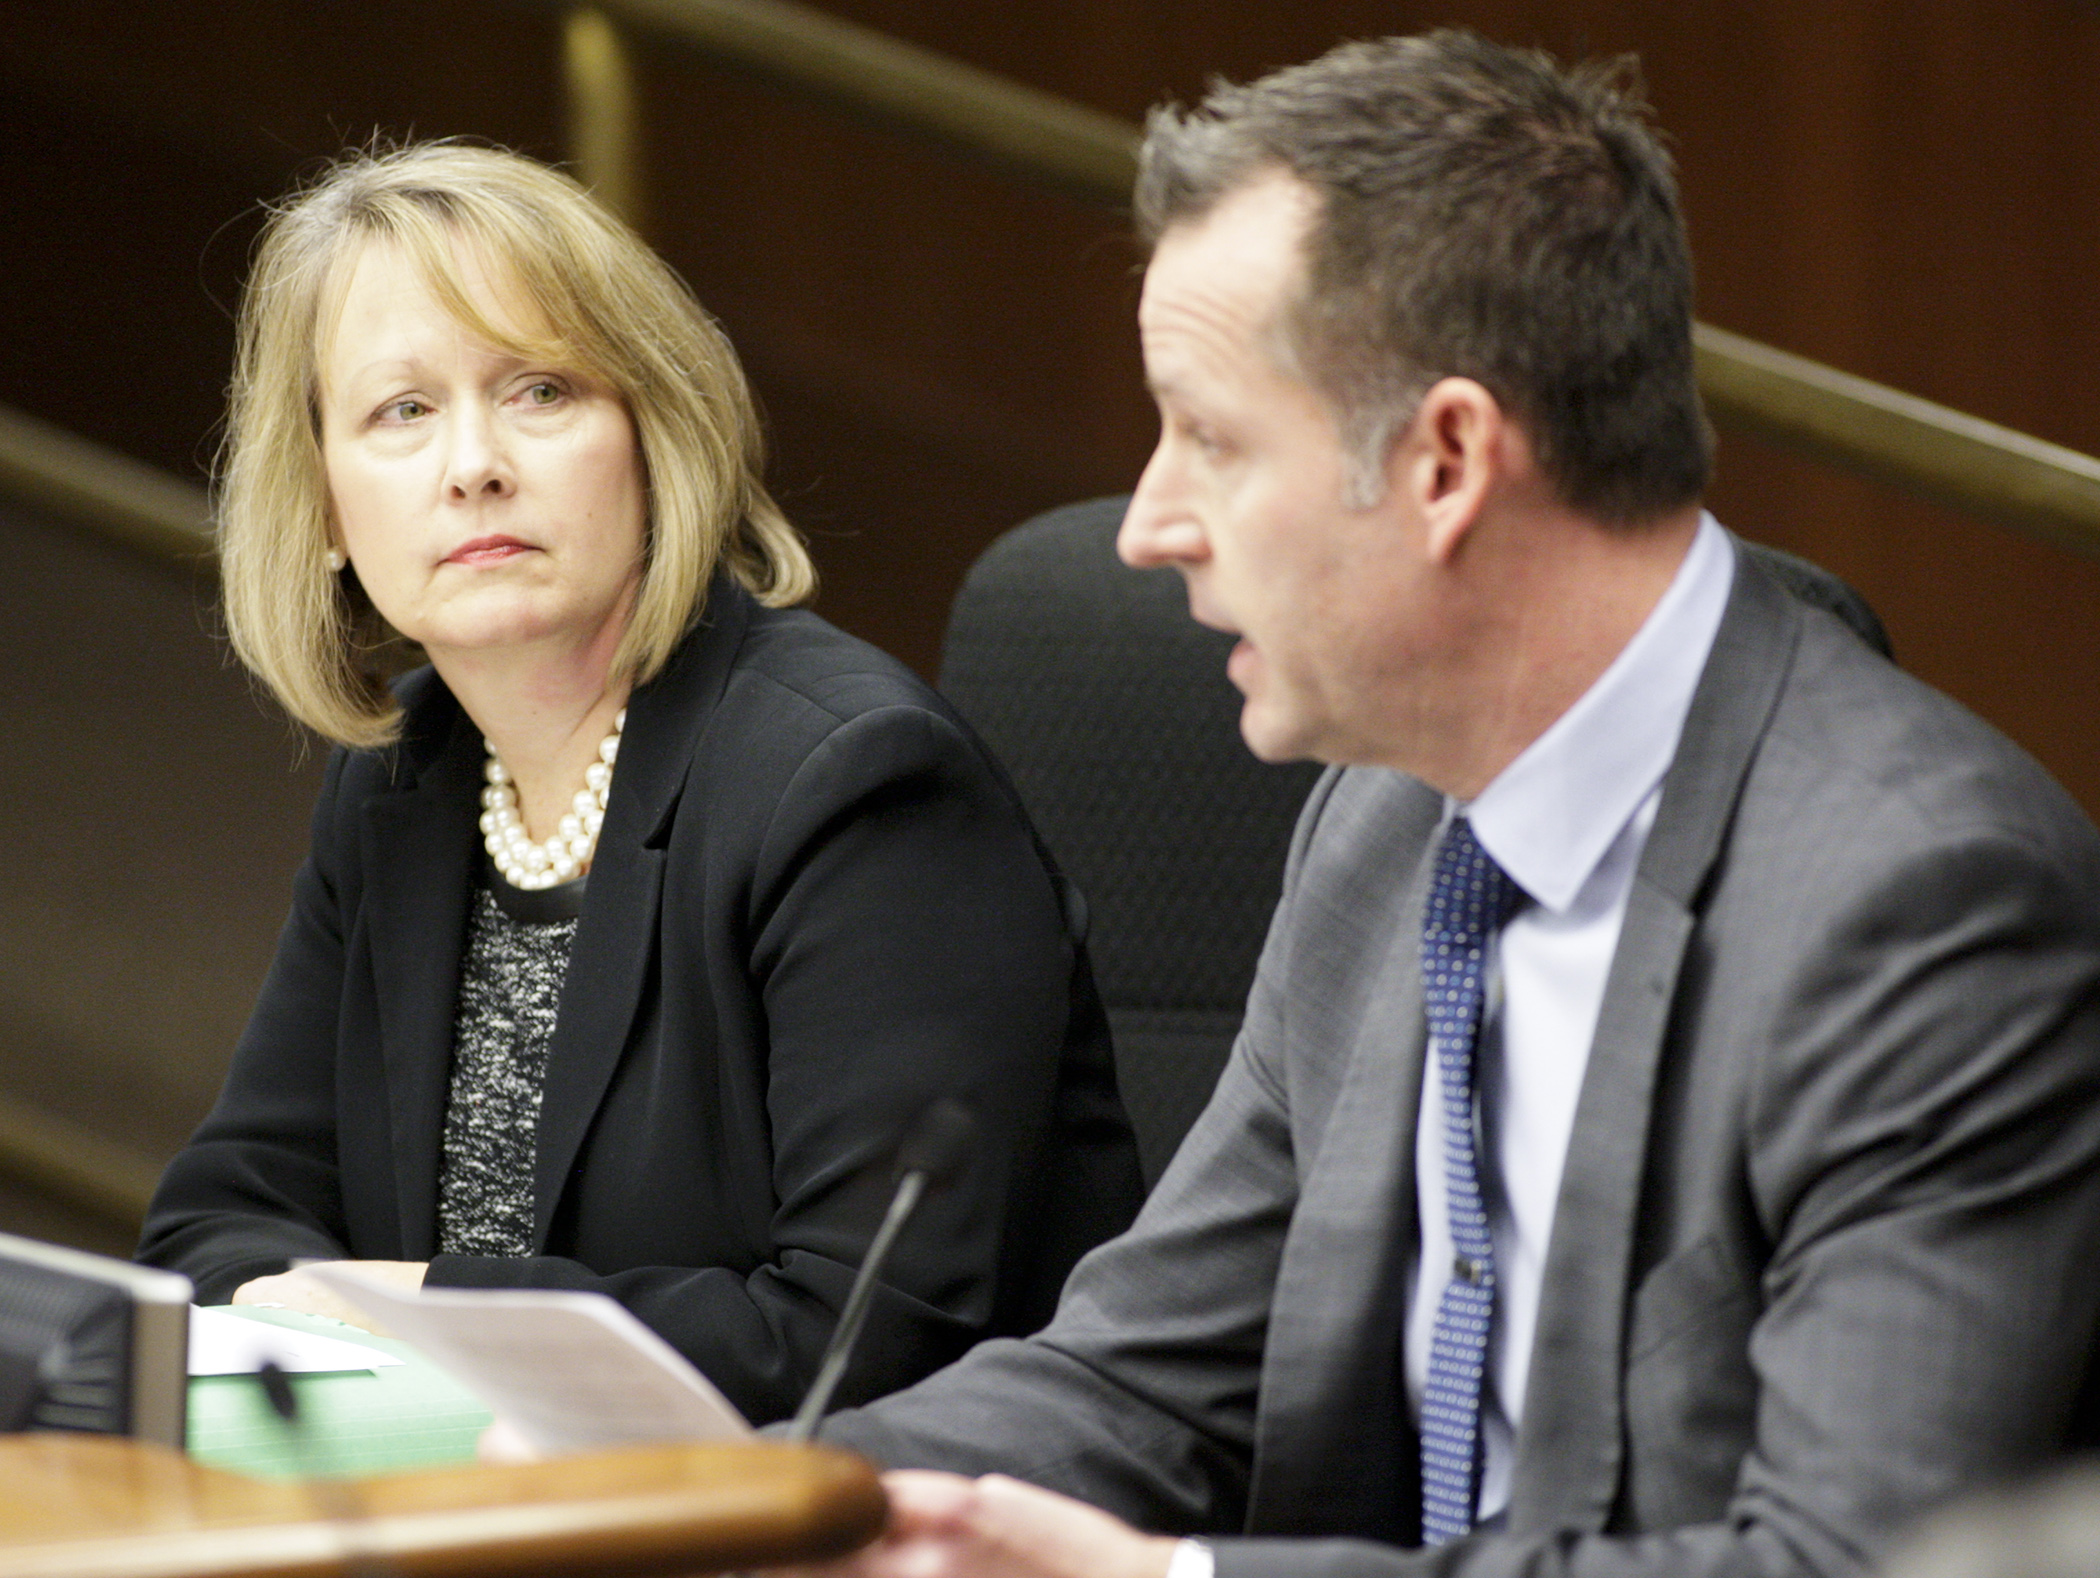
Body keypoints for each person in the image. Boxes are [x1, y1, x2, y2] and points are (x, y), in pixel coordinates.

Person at [781, 30, 2100, 1578]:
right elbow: (1143, 1376)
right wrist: (709, 1515)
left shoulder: (1928, 904)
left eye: (1207, 434)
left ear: (1448, 459)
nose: (1147, 524)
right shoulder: (1389, 818)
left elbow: (1845, 1565)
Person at [135, 142, 1141, 1425]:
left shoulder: (854, 783)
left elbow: (864, 1335)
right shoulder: (410, 778)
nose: (473, 464)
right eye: (401, 412)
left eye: (540, 391)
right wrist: (331, 1319)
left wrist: (410, 1312)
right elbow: (217, 1223)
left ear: (654, 434)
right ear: (324, 505)